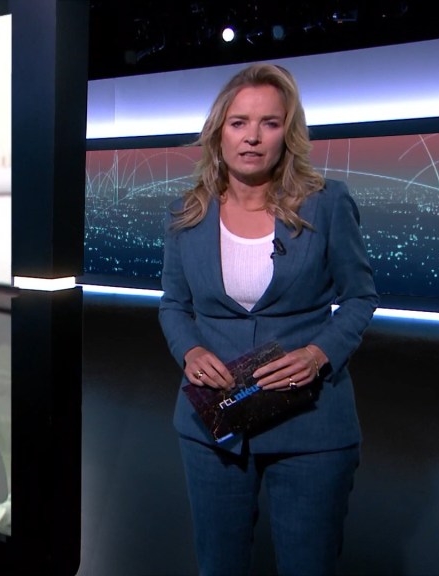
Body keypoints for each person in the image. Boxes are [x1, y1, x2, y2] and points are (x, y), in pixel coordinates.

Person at [158, 63, 378, 575]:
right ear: (219, 133)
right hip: (215, 423)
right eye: (239, 123)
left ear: (288, 133)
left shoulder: (327, 204)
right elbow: (173, 304)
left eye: (269, 123)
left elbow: (360, 297)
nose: (252, 137)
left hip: (311, 425)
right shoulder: (186, 214)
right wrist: (190, 349)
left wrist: (319, 354)